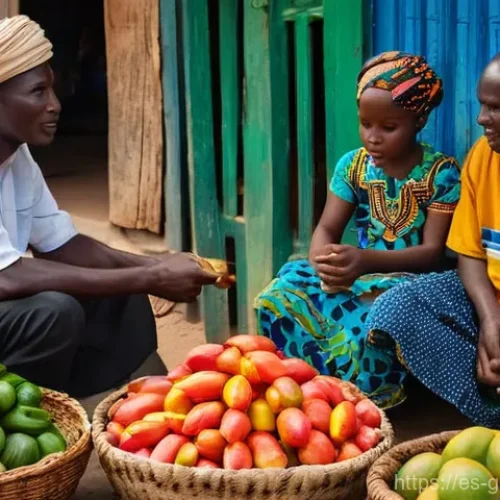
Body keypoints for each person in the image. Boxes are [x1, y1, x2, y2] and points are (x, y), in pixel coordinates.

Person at [0, 16, 217, 398]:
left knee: (118, 287)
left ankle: (143, 403)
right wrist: (151, 278)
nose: (54, 105)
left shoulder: (18, 159)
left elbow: (64, 245)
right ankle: (25, 426)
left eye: (52, 89)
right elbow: (9, 277)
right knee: (53, 313)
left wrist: (156, 265)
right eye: (38, 92)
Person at [254, 51, 461, 409]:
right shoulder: (353, 166)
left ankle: (372, 396)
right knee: (283, 287)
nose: (373, 137)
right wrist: (324, 261)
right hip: (360, 275)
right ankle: (308, 381)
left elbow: (432, 254)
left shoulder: (441, 173)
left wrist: (364, 261)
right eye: (366, 124)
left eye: (388, 127)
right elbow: (326, 228)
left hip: (413, 283)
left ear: (420, 119)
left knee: (378, 312)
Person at [364, 53, 500, 427]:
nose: (481, 119)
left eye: (496, 108)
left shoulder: (438, 173)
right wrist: (490, 323)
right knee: (396, 307)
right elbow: (469, 255)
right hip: (488, 299)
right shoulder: (483, 157)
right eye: (482, 105)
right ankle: (488, 408)